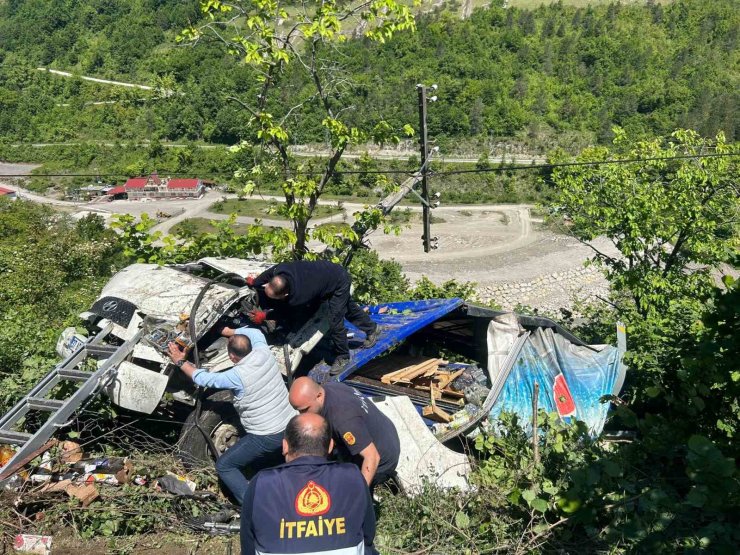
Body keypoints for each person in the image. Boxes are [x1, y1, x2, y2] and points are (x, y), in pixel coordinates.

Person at [167, 326, 296, 504]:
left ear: (232, 357)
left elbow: (204, 379)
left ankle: (253, 506)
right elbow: (256, 332)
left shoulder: (237, 375)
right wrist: (226, 330)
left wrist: (180, 362)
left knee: (225, 466)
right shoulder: (263, 352)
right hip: (291, 424)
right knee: (267, 458)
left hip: (267, 435)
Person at [241, 413, 378, 555]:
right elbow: (368, 535)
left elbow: (248, 546)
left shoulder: (262, 483)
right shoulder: (353, 475)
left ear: (285, 446)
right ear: (331, 446)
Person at [249, 261, 380, 374]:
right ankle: (372, 328)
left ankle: (343, 356)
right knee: (348, 308)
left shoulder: (299, 296)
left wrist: (265, 315)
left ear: (286, 294)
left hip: (338, 281)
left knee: (335, 319)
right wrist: (254, 282)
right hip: (326, 273)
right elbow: (267, 274)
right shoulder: (280, 270)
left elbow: (286, 311)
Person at [289, 377, 399, 488]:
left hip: (381, 462)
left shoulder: (343, 420)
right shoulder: (331, 387)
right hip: (384, 431)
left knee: (344, 490)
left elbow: (372, 457)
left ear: (319, 396)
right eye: (298, 410)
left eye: (304, 410)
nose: (301, 415)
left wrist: (359, 495)